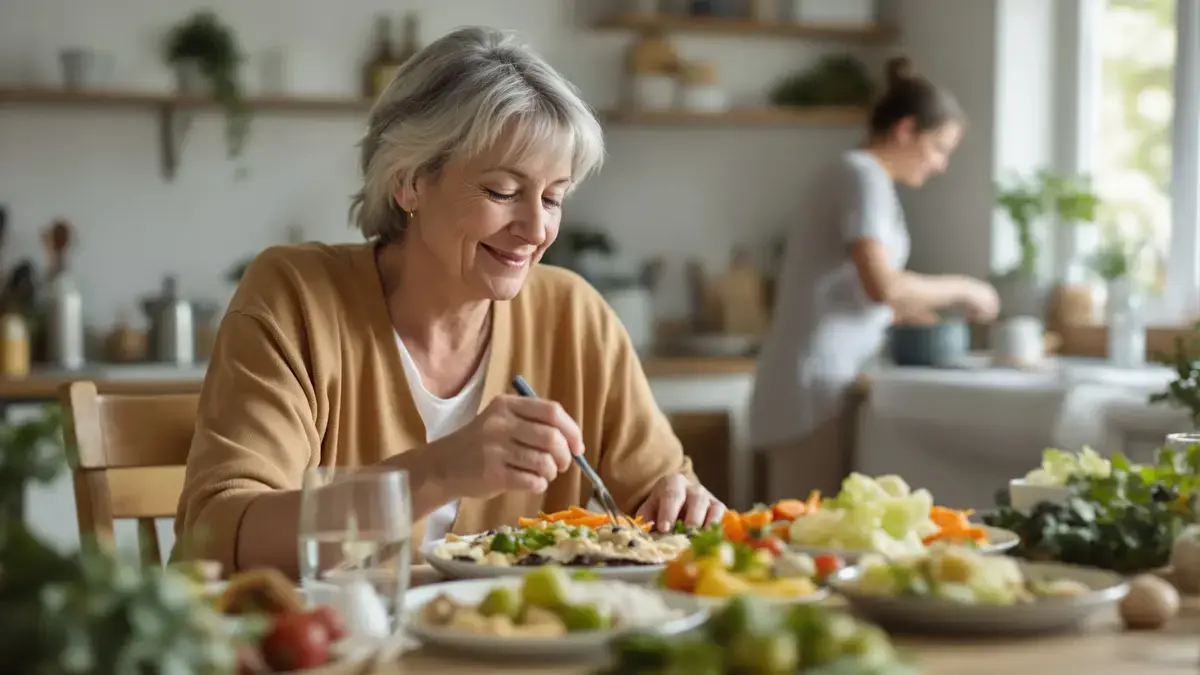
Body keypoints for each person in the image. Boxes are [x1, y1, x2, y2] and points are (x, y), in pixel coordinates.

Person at [174, 26, 724, 577]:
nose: (536, 228)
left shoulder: (575, 316)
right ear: (410, 183)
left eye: (553, 198)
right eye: (502, 192)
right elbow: (221, 538)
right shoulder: (295, 298)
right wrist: (438, 471)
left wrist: (680, 503)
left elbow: (663, 495)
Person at [749, 56, 1000, 502]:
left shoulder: (866, 180)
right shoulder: (859, 176)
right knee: (804, 537)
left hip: (819, 383)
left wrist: (918, 315)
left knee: (818, 534)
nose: (941, 164)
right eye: (939, 147)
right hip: (810, 388)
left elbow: (861, 292)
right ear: (905, 130)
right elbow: (882, 286)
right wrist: (966, 288)